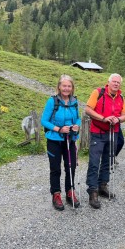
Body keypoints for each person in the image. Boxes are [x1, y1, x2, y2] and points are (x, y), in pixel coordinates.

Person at [85, 73, 125, 209]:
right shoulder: (97, 93)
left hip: (113, 133)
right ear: (108, 82)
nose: (116, 84)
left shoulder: (121, 97)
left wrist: (118, 119)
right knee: (94, 162)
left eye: (118, 82)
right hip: (97, 132)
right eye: (114, 82)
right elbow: (88, 110)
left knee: (108, 160)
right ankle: (93, 191)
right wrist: (103, 118)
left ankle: (103, 185)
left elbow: (124, 115)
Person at [41, 75, 81, 211]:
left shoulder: (74, 102)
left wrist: (76, 126)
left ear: (72, 88)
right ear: (59, 87)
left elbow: (78, 119)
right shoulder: (52, 101)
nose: (66, 88)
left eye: (69, 86)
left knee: (71, 167)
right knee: (55, 168)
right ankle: (56, 194)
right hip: (54, 139)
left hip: (70, 139)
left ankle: (70, 192)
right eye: (64, 86)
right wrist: (58, 129)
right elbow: (44, 121)